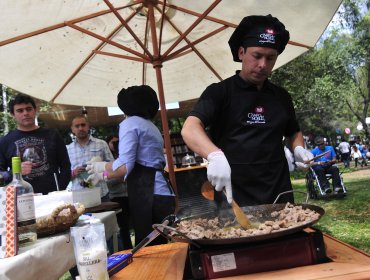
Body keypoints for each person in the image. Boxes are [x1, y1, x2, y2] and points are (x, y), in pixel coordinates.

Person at [181, 14, 313, 206]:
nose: (263, 65)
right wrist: (214, 155)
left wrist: (299, 148)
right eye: (257, 56)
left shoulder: (281, 96)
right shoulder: (220, 92)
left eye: (270, 58)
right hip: (235, 195)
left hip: (278, 190)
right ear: (242, 52)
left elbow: (293, 131)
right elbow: (190, 127)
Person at [86, 85, 176, 246]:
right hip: (162, 193)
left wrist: (101, 168)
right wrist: (103, 174)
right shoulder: (150, 125)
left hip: (149, 195)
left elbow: (124, 166)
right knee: (165, 247)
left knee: (150, 249)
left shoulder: (130, 123)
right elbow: (130, 165)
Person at [0, 94, 71, 194]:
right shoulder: (5, 141)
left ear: (35, 110)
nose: (25, 113)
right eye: (20, 110)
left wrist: (59, 188)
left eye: (29, 109)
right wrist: (15, 172)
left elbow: (65, 166)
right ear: (12, 114)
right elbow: (1, 176)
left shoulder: (53, 135)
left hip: (52, 197)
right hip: (21, 198)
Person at [66, 115, 112, 201]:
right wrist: (73, 173)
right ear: (72, 129)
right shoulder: (67, 149)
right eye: (77, 126)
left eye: (83, 125)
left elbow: (113, 167)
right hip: (79, 195)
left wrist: (102, 175)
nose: (80, 128)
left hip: (101, 193)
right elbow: (63, 175)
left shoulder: (101, 144)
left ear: (88, 126)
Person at [106, 134, 133, 249]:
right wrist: (119, 177)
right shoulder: (108, 159)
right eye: (113, 143)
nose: (116, 145)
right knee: (123, 226)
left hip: (130, 194)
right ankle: (127, 250)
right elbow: (106, 178)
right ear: (108, 144)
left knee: (136, 223)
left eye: (118, 142)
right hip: (116, 196)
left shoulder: (124, 155)